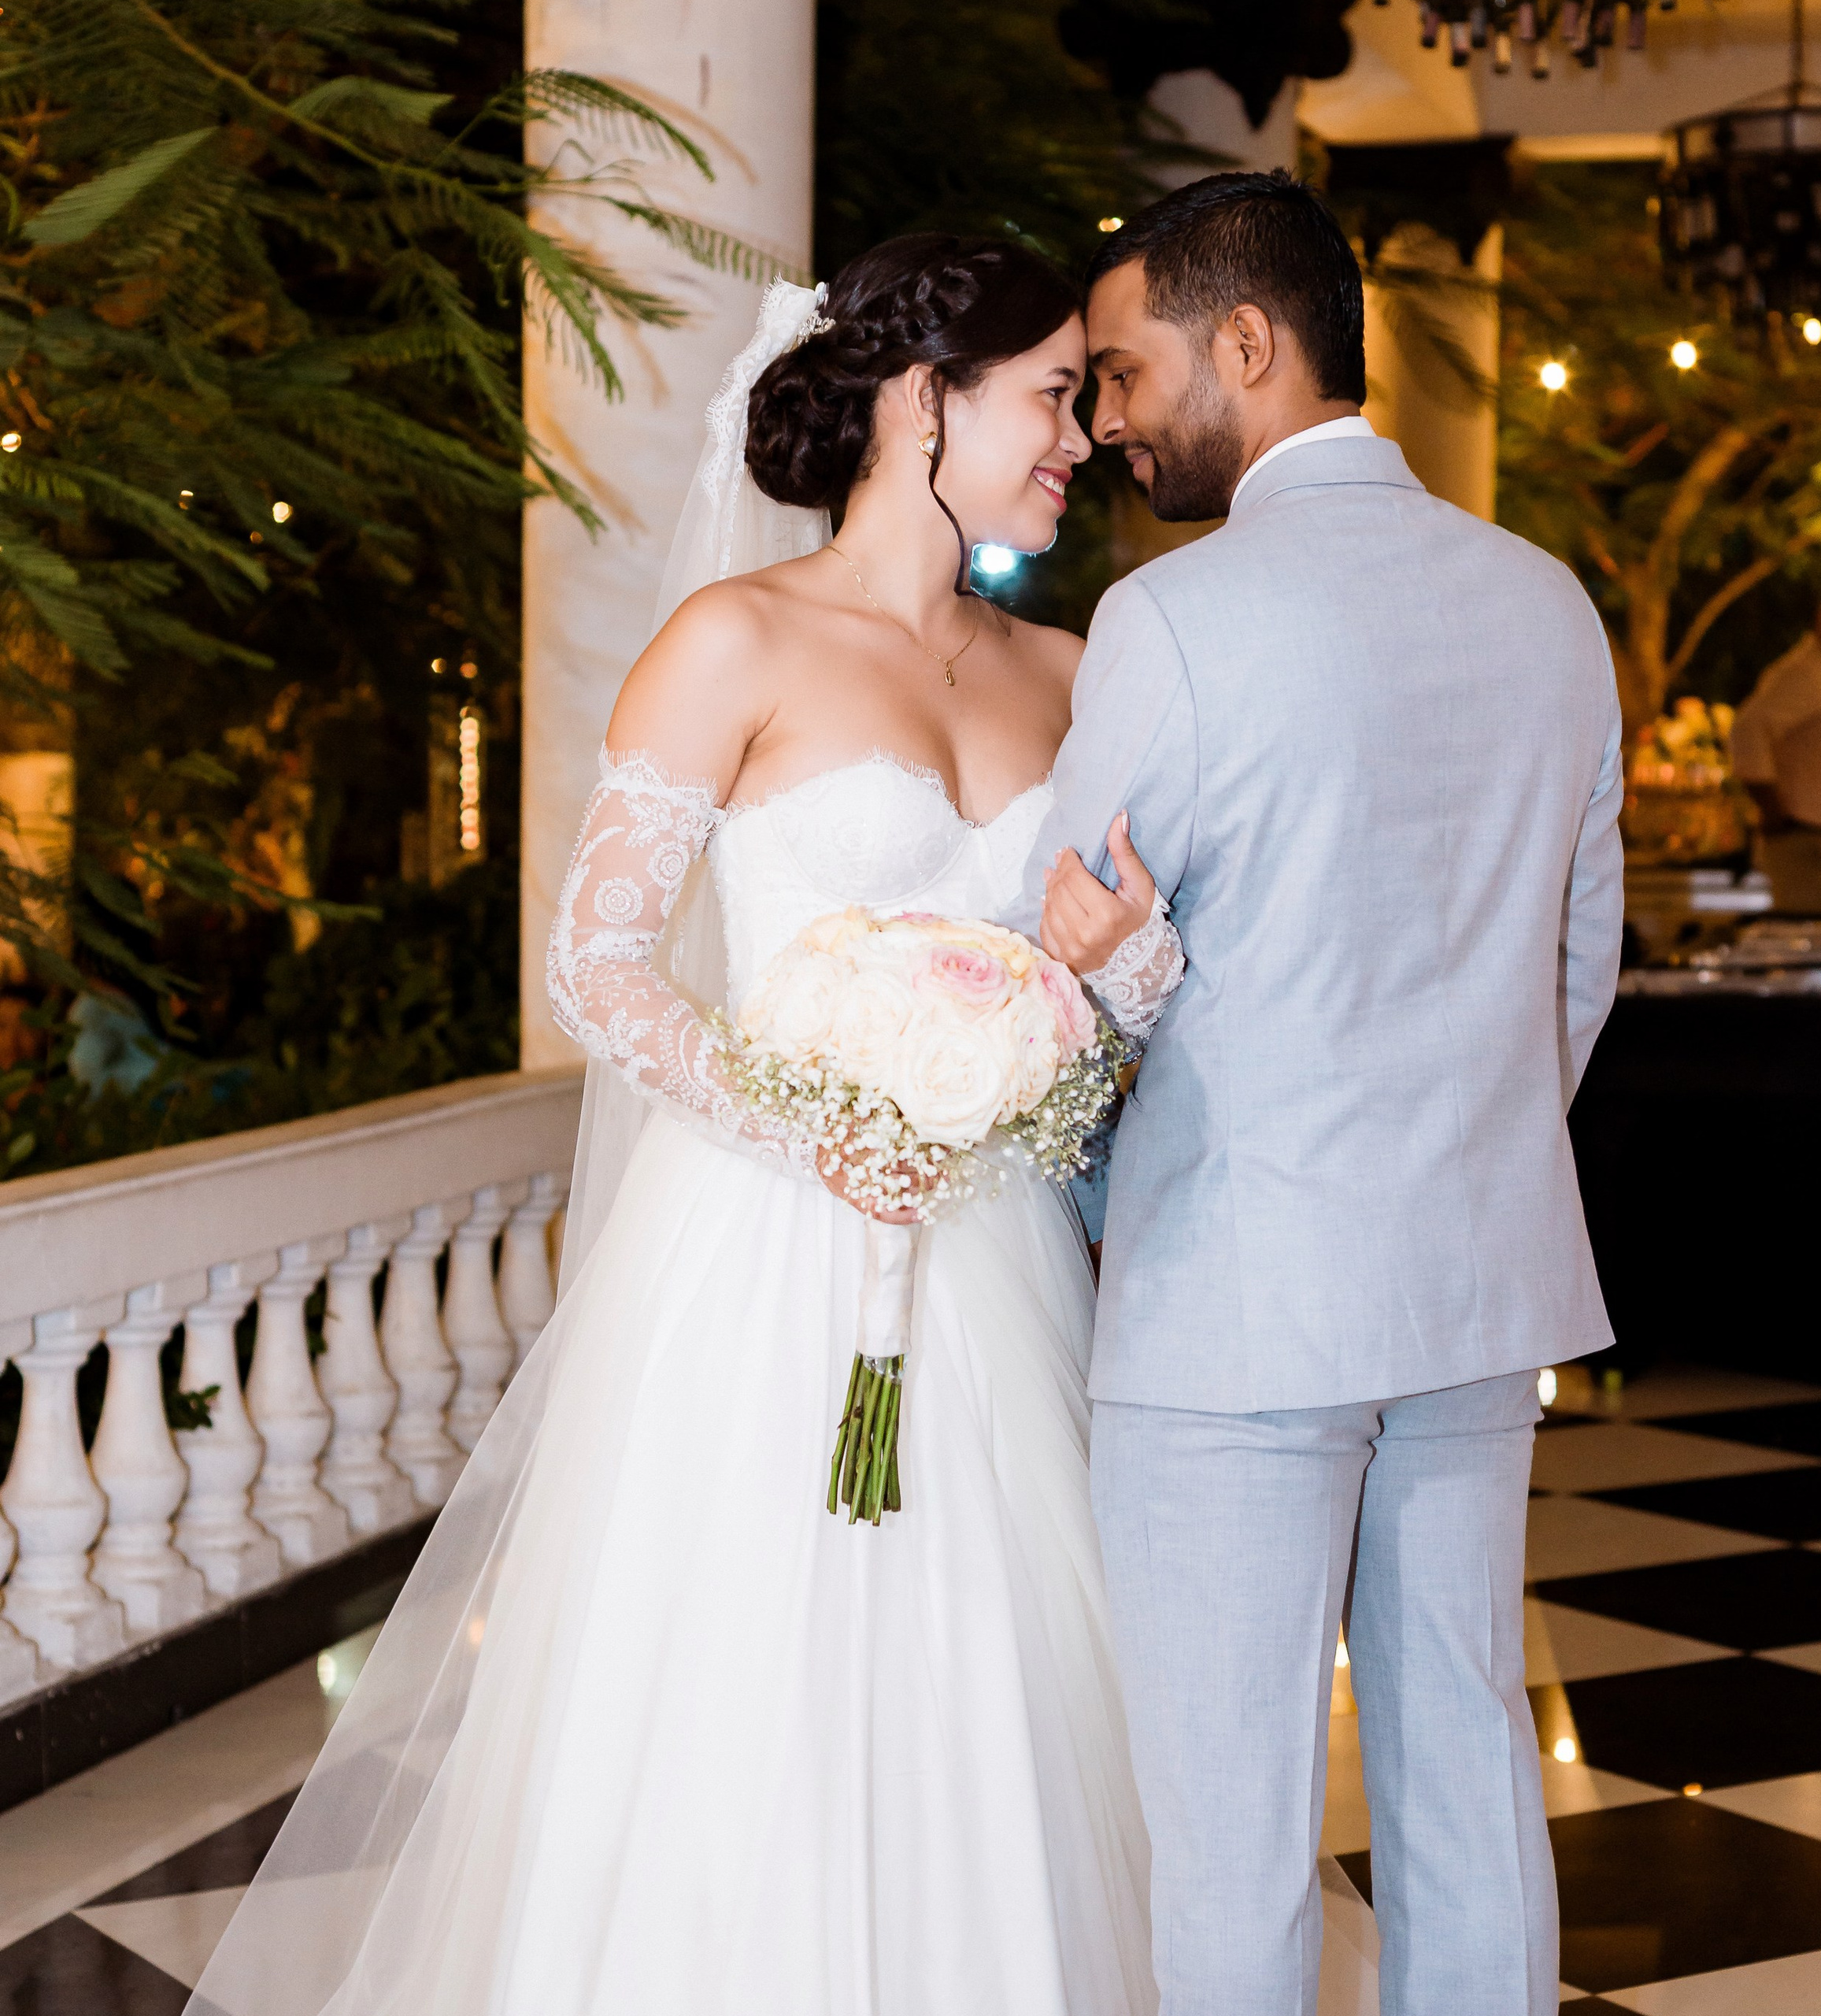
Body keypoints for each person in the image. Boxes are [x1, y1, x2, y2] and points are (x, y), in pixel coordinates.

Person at [189, 241, 1181, 2016]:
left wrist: (1109, 985)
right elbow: (596, 963)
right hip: (768, 1253)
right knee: (752, 1684)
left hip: (996, 1257)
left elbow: (1110, 979)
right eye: (1048, 394)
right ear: (918, 398)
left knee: (990, 1690)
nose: (1082, 440)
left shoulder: (1071, 663)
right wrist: (813, 1125)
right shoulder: (735, 638)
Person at [1023, 170, 1623, 2016]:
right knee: (1462, 1771)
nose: (1107, 417)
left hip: (1230, 1307)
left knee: (1228, 1833)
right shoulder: (1546, 607)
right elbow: (1574, 968)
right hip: (1470, 1287)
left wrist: (1090, 1203)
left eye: (1124, 371)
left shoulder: (1174, 622)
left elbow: (1065, 982)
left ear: (1249, 342)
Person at [1729, 579, 1821, 911]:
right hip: (1810, 850)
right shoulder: (1806, 673)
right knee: (1820, 957)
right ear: (1820, 619)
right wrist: (1775, 812)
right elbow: (1747, 730)